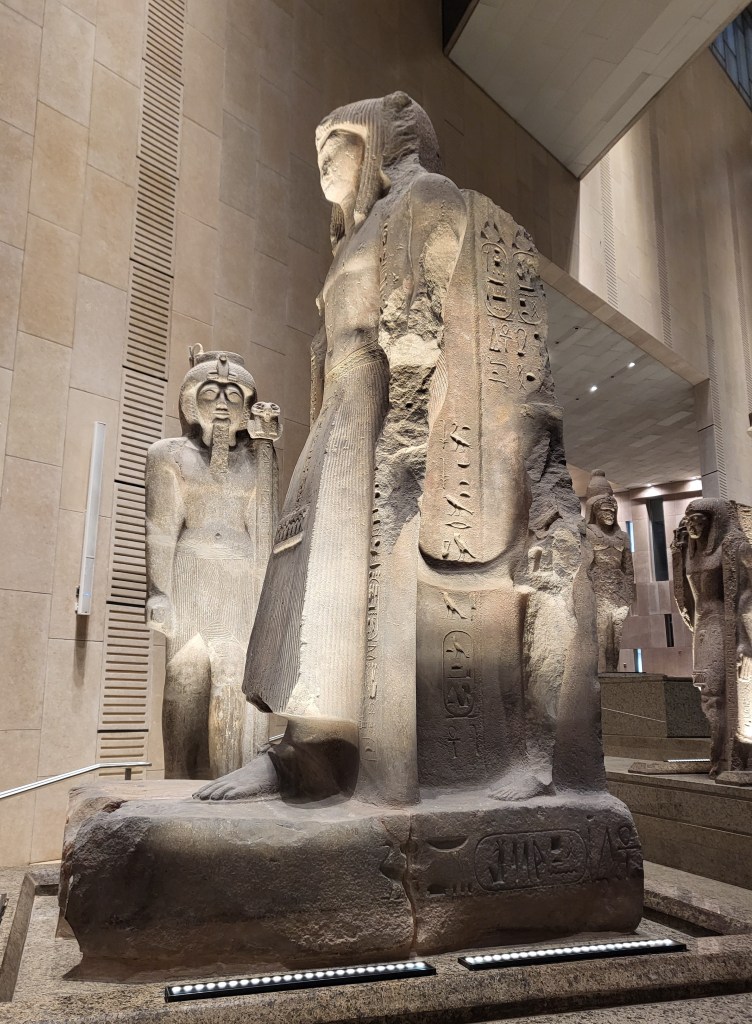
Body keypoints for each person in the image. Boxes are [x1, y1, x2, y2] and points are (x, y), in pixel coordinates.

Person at [196, 93, 466, 801]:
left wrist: (406, 436)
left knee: (332, 582)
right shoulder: (353, 234)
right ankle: (296, 748)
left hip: (375, 405)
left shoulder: (421, 198)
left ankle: (315, 753)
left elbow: (425, 322)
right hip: (339, 407)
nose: (321, 162)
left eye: (335, 146)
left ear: (373, 143)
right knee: (303, 572)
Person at [146, 348, 279, 779]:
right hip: (191, 573)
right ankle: (177, 778)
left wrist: (266, 452)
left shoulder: (258, 458)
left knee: (232, 680)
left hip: (241, 579)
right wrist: (158, 592)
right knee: (185, 677)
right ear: (191, 402)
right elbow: (162, 528)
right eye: (210, 393)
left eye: (232, 396)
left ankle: (231, 778)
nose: (222, 404)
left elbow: (265, 530)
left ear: (246, 408)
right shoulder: (168, 455)